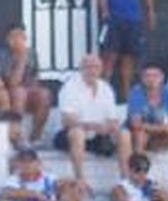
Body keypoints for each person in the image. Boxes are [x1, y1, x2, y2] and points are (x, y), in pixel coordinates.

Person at [55, 54, 130, 189]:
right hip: (71, 135)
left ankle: (126, 179)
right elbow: (67, 120)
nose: (92, 70)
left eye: (96, 67)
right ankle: (80, 179)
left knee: (124, 134)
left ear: (100, 69)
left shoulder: (105, 88)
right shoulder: (70, 87)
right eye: (88, 67)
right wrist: (91, 126)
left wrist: (111, 127)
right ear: (81, 69)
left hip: (98, 136)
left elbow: (112, 118)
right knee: (77, 133)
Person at [125, 63, 168, 192]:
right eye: (147, 76)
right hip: (139, 137)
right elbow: (136, 124)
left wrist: (165, 129)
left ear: (162, 78)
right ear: (142, 78)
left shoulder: (167, 91)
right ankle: (140, 181)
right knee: (140, 135)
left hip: (157, 136)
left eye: (155, 75)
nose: (151, 79)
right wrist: (164, 128)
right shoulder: (137, 92)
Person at [98, 0, 153, 101]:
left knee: (128, 58)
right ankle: (102, 96)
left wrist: (150, 10)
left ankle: (126, 97)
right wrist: (104, 11)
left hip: (134, 17)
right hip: (114, 16)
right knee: (109, 57)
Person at [3, 23, 51, 144]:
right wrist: (22, 60)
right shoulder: (4, 56)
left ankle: (35, 137)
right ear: (8, 40)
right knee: (20, 92)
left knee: (44, 94)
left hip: (27, 90)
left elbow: (35, 78)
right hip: (9, 94)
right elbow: (12, 83)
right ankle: (16, 135)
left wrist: (33, 88)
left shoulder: (32, 53)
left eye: (21, 36)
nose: (17, 40)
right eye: (13, 37)